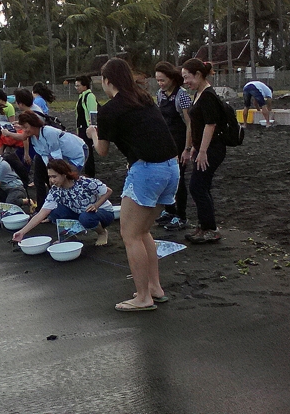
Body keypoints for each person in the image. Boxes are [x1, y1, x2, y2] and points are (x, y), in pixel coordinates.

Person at [86, 58, 179, 312]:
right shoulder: (143, 98)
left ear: (107, 81)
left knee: (130, 235)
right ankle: (154, 288)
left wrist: (93, 134)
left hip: (147, 170)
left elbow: (102, 151)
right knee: (143, 231)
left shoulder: (110, 109)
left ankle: (143, 297)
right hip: (171, 168)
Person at [12, 159, 114, 246]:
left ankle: (102, 233)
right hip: (80, 213)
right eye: (50, 177)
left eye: (54, 176)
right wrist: (22, 232)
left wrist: (96, 205)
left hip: (103, 212)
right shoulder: (55, 190)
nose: (51, 180)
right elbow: (42, 213)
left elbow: (108, 191)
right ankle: (70, 235)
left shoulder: (84, 182)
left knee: (86, 217)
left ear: (64, 174)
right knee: (54, 212)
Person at [181, 58, 226, 244]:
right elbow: (197, 124)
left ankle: (210, 228)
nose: (185, 82)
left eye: (187, 77)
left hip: (212, 149)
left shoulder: (208, 96)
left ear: (198, 75)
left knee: (197, 187)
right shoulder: (199, 94)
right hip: (204, 148)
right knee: (201, 186)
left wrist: (203, 151)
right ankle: (204, 226)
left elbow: (210, 124)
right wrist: (193, 146)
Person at [9, 111, 88, 213]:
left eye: (26, 127)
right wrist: (50, 173)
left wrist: (55, 174)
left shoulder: (48, 132)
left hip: (76, 153)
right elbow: (44, 155)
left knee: (69, 180)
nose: (24, 130)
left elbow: (57, 158)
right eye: (22, 127)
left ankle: (82, 207)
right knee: (56, 181)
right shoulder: (33, 138)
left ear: (33, 124)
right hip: (62, 156)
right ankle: (58, 209)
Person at [154, 61, 193, 230]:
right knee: (166, 177)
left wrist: (187, 148)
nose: (160, 83)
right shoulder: (160, 94)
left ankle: (181, 216)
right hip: (166, 142)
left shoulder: (181, 96)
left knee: (179, 179)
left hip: (180, 141)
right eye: (158, 80)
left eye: (162, 80)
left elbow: (190, 124)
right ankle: (170, 211)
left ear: (171, 78)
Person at [74, 75, 98, 177]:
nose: (76, 88)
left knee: (89, 152)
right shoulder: (82, 97)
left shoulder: (89, 96)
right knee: (84, 151)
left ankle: (90, 174)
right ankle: (87, 172)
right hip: (82, 129)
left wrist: (93, 129)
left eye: (78, 85)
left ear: (85, 86)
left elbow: (93, 114)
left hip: (87, 129)